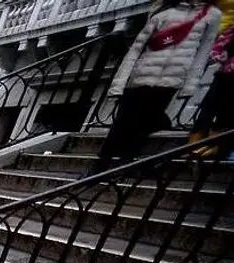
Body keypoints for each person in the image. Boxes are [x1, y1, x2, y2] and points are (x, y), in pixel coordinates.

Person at [94, 0, 222, 173]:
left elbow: (203, 53)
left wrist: (189, 85)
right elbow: (136, 48)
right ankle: (99, 166)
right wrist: (119, 82)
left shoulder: (212, 14)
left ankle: (125, 164)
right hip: (141, 74)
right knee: (121, 122)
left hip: (171, 80)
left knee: (143, 125)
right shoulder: (162, 8)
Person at [190, 0, 234, 157]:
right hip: (226, 72)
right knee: (214, 106)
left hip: (227, 71)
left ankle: (213, 147)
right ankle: (199, 146)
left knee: (222, 110)